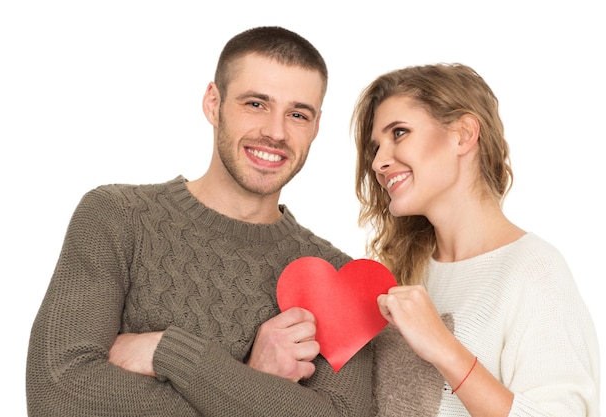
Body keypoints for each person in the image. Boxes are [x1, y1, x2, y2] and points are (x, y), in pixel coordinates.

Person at [26, 26, 373, 417]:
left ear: (316, 127)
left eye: (297, 114)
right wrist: (252, 381)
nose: (276, 132)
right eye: (256, 104)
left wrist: (173, 353)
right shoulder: (117, 217)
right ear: (213, 103)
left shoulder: (337, 276)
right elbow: (56, 394)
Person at [351, 63, 600, 416]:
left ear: (464, 134)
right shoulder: (405, 274)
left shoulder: (535, 272)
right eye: (375, 148)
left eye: (400, 133)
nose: (378, 162)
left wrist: (444, 348)